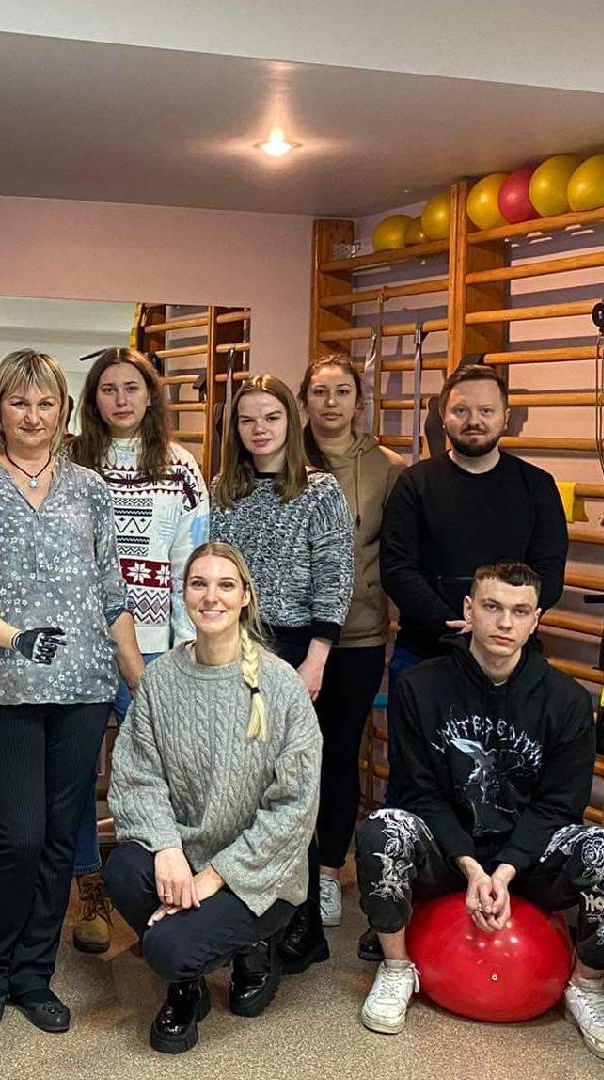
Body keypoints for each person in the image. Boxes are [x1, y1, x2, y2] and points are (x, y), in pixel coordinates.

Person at [355, 561, 604, 1062]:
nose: (505, 623)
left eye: (520, 611)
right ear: (469, 611)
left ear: (536, 621)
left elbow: (560, 806)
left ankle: (587, 986)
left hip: (530, 860)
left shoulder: (568, 702)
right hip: (448, 855)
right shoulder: (418, 687)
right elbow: (419, 793)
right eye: (492, 607)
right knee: (382, 830)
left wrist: (506, 870)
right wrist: (470, 867)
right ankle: (398, 968)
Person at [0, 349, 139, 1035]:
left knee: (61, 837)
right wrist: (14, 639)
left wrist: (138, 681)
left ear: (64, 411)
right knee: (19, 835)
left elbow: (112, 593)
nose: (32, 416)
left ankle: (34, 974)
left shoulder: (89, 489)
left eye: (45, 403)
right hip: (3, 687)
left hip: (84, 687)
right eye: (19, 402)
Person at [105, 542, 322, 1054]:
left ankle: (253, 946)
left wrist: (216, 875)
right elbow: (136, 777)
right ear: (182, 594)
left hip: (259, 871)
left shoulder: (281, 686)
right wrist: (167, 848)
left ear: (245, 596)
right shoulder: (161, 680)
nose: (211, 597)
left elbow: (294, 809)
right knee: (122, 870)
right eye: (198, 584)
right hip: (186, 856)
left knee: (164, 948)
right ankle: (188, 986)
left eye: (226, 585)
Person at [64, 346, 209, 955]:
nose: (121, 399)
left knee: (157, 775)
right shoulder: (70, 461)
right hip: (81, 647)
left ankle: (154, 885)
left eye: (132, 387)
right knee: (75, 774)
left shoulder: (180, 467)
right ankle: (89, 891)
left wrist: (184, 648)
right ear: (93, 399)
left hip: (153, 650)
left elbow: (190, 563)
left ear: (151, 396)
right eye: (109, 389)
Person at [208, 373, 353, 974]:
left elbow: (335, 575)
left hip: (294, 648)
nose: (259, 429)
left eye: (271, 417)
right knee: (238, 791)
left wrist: (316, 657)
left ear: (291, 423)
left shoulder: (319, 491)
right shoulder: (223, 491)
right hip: (234, 645)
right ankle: (243, 919)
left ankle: (302, 925)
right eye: (247, 420)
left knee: (288, 790)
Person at [297, 355, 405, 932]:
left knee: (337, 755)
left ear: (358, 402)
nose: (331, 402)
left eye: (342, 392)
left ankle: (327, 870)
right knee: (285, 758)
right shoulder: (282, 453)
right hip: (288, 633)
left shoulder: (387, 468)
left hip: (358, 635)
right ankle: (285, 867)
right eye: (319, 391)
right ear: (304, 400)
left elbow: (399, 552)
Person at [380, 363, 568, 691]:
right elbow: (397, 569)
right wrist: (457, 626)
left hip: (510, 655)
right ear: (443, 416)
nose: (474, 421)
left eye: (486, 411)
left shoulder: (537, 486)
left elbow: (549, 572)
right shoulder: (414, 483)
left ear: (505, 417)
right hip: (427, 651)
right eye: (461, 410)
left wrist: (499, 624)